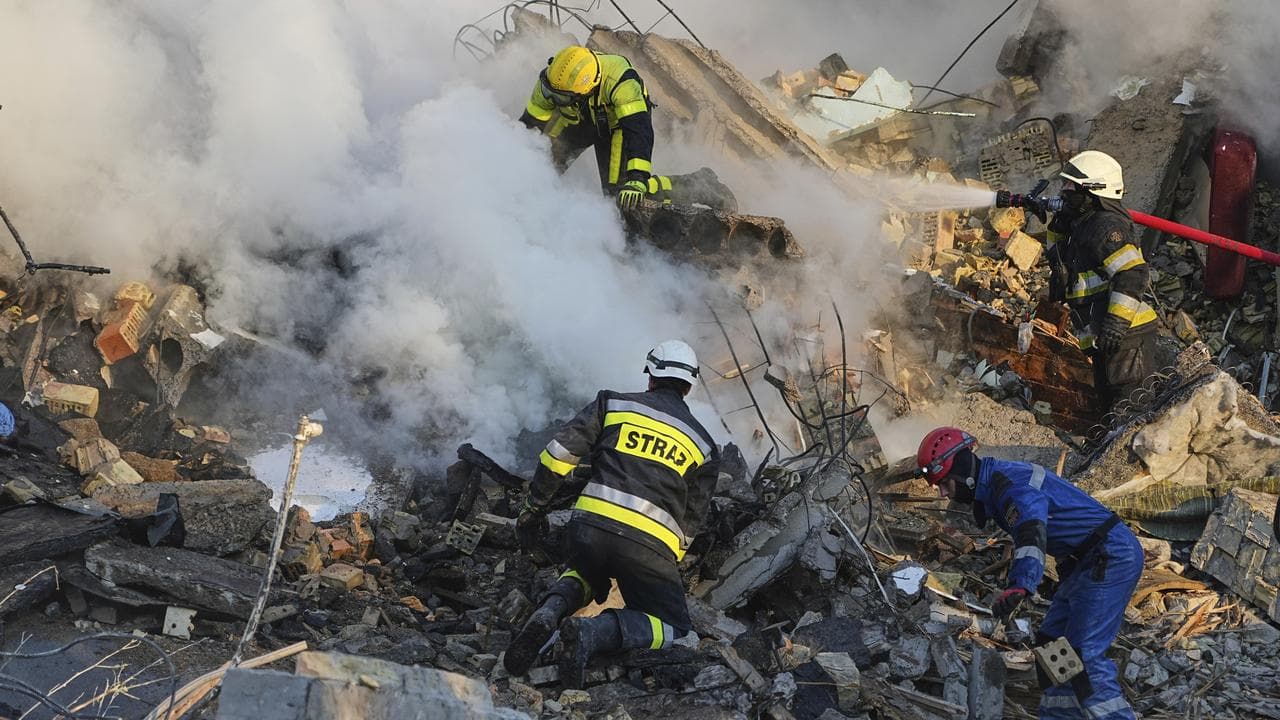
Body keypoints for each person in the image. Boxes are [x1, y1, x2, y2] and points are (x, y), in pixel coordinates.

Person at [503, 340, 721, 688]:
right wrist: (665, 562)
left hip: (589, 527)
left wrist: (534, 508)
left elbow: (557, 456)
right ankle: (593, 632)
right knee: (676, 629)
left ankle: (550, 612)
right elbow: (691, 522)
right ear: (689, 386)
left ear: (650, 376)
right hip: (648, 547)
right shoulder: (705, 446)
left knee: (587, 570)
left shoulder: (612, 403)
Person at [916, 427, 1142, 720]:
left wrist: (1021, 583)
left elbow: (1031, 530)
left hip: (1110, 555)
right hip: (1084, 562)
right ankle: (1060, 716)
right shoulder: (996, 485)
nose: (944, 493)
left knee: (1083, 652)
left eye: (944, 483)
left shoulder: (1010, 485)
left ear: (962, 471)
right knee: (1051, 641)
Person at [1043, 150, 1159, 412]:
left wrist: (1115, 325)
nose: (1064, 190)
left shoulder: (1105, 227)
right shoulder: (1081, 224)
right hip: (1103, 336)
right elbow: (1056, 257)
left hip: (1127, 335)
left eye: (1071, 186)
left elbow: (1132, 273)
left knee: (1132, 411)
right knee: (1109, 409)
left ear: (1093, 191)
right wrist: (1058, 223)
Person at [518, 45, 676, 209]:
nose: (553, 99)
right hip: (575, 119)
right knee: (541, 168)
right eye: (551, 93)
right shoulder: (552, 81)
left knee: (621, 197)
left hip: (618, 128)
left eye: (561, 98)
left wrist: (638, 177)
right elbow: (529, 125)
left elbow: (638, 130)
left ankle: (683, 186)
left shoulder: (622, 81)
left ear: (587, 89)